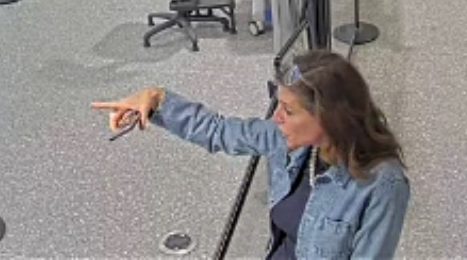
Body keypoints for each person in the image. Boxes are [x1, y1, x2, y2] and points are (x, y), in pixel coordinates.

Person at [92, 50, 410, 259]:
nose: (276, 119)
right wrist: (156, 98)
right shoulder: (289, 141)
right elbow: (219, 131)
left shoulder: (382, 184)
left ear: (329, 117)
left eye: (288, 110)